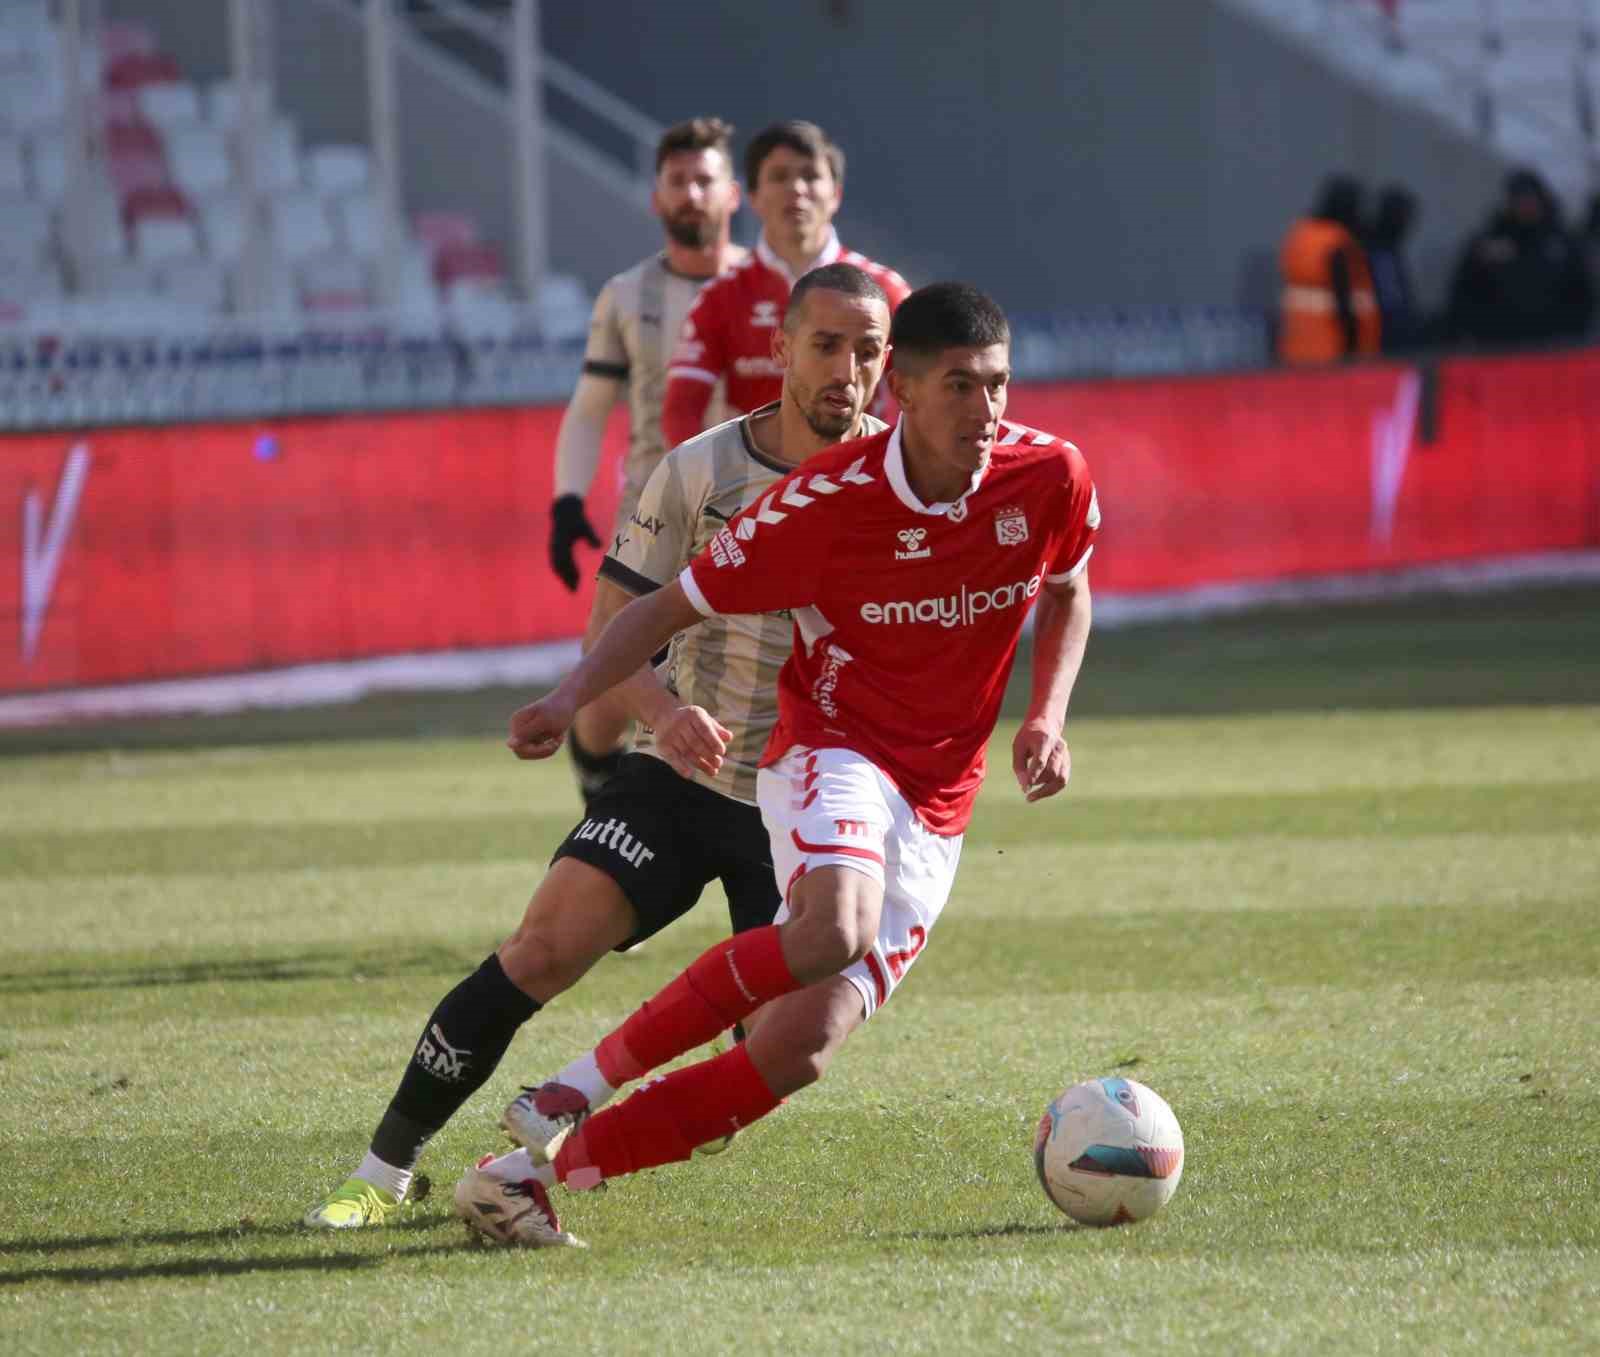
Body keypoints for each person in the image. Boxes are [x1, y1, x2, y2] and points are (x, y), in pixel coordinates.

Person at [454, 281, 1100, 1247]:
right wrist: (565, 696)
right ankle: (572, 1086)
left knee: (800, 1048)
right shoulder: (823, 504)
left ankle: (519, 1184)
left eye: (999, 384)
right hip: (830, 750)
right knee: (830, 927)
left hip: (939, 805)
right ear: (905, 393)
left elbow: (1068, 588)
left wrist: (1046, 716)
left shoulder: (1048, 474)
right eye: (961, 386)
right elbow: (656, 610)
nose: (987, 410)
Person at [301, 263, 894, 1231]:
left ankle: (527, 1168)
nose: (847, 368)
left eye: (867, 350)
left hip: (811, 804)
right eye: (825, 344)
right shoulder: (702, 468)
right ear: (781, 350)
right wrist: (661, 713)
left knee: (771, 1055)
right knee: (540, 949)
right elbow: (610, 628)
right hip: (680, 776)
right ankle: (378, 1172)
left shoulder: (896, 484)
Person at [547, 116, 748, 806]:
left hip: (757, 515)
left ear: (734, 195)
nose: (692, 193)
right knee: (605, 688)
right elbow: (588, 407)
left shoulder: (777, 292)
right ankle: (603, 803)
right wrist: (567, 502)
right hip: (655, 522)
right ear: (656, 197)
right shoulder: (626, 296)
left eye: (704, 179)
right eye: (678, 181)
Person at [660, 119, 910, 451]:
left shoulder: (886, 291)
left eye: (810, 175)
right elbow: (681, 411)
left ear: (835, 194)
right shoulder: (720, 296)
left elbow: (924, 394)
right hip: (757, 489)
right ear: (753, 196)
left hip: (859, 482)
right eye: (780, 176)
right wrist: (708, 482)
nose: (796, 188)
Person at [1443, 168, 1595, 349]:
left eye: (1530, 200)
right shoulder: (1487, 244)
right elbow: (1463, 292)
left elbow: (1582, 293)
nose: (1526, 206)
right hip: (1499, 347)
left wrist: (1572, 332)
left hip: (1554, 346)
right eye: (1520, 200)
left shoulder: (1564, 244)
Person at [1277, 174, 1381, 365]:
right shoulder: (1336, 243)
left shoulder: (1300, 235)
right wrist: (1353, 349)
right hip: (1334, 353)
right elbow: (1344, 301)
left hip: (1297, 348)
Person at [1364, 184, 1424, 353]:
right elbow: (1390, 301)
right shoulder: (1378, 251)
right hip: (1384, 340)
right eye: (1402, 217)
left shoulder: (1389, 250)